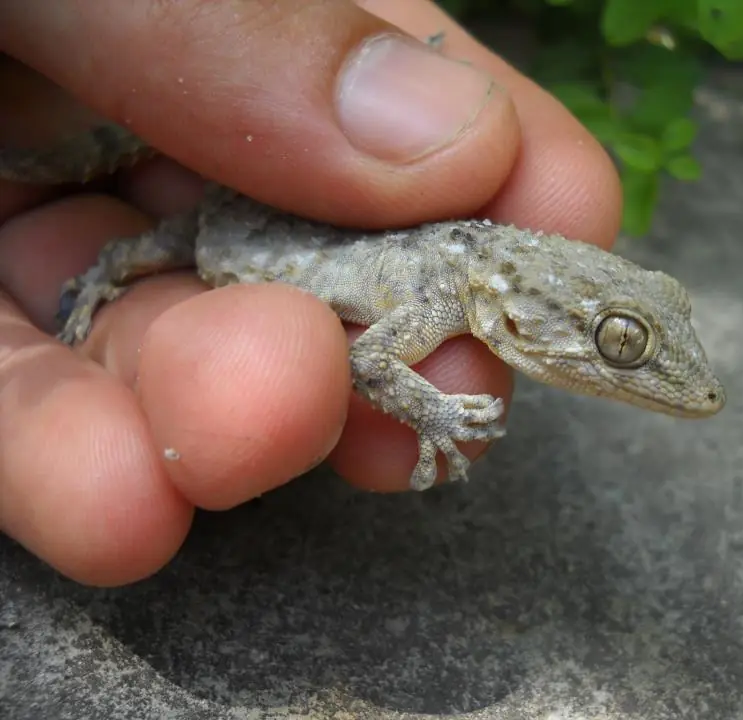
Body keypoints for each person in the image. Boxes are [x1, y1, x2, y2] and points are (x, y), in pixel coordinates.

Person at [0, 0, 622, 587]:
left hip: (258, 209)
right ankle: (100, 272)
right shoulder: (443, 292)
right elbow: (370, 360)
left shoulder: (453, 285)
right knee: (148, 261)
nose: (619, 354)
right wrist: (436, 414)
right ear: (524, 314)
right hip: (226, 226)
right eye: (620, 342)